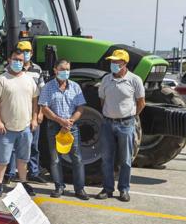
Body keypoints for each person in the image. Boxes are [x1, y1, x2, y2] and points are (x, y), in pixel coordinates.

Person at [97, 49, 146, 202]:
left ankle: (124, 189)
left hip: (126, 124)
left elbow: (141, 103)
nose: (113, 65)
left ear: (124, 63)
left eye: (116, 62)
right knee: (106, 158)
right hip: (107, 123)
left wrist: (130, 115)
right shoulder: (106, 79)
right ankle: (107, 188)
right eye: (112, 62)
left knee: (125, 159)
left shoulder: (134, 80)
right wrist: (111, 113)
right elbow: (102, 100)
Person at [0, 47, 38, 197]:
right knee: (3, 159)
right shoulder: (1, 79)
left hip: (25, 127)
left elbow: (35, 100)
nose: (18, 63)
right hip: (5, 128)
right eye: (15, 60)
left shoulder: (29, 79)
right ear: (9, 60)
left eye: (21, 60)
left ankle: (22, 182)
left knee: (23, 158)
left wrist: (34, 118)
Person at [38, 60, 89, 200]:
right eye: (62, 69)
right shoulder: (48, 87)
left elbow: (80, 108)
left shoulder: (75, 87)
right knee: (55, 159)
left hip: (71, 127)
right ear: (55, 70)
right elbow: (44, 108)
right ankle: (59, 187)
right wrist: (60, 120)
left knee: (77, 158)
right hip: (54, 126)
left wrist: (71, 121)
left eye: (67, 69)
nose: (65, 71)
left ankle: (80, 189)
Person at [18, 41, 48, 184]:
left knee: (33, 145)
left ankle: (33, 171)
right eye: (22, 51)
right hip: (17, 111)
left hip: (33, 112)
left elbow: (42, 93)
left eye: (27, 51)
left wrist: (41, 113)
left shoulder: (37, 69)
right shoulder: (13, 68)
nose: (25, 54)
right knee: (15, 145)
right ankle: (12, 172)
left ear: (32, 53)